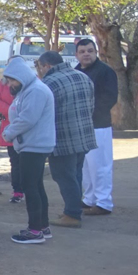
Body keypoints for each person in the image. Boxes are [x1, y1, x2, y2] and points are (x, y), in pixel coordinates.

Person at [35, 51, 96, 229]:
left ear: (47, 66)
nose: (40, 71)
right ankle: (73, 209)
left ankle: (72, 214)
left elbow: (44, 113)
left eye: (40, 67)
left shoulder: (49, 82)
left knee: (64, 176)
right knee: (76, 175)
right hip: (84, 136)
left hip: (62, 139)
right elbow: (92, 105)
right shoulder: (83, 76)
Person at [1, 57, 56, 244]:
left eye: (11, 80)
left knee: (30, 187)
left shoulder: (35, 91)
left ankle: (35, 231)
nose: (10, 84)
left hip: (34, 145)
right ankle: (42, 226)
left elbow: (27, 119)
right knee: (36, 186)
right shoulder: (28, 89)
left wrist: (9, 133)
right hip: (32, 144)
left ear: (21, 76)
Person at [75, 39, 118, 215]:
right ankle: (90, 198)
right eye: (82, 51)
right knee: (86, 166)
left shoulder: (105, 71)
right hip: (81, 127)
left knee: (100, 166)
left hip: (98, 125)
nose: (86, 54)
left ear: (96, 52)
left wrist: (87, 112)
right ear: (76, 55)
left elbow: (110, 98)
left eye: (90, 50)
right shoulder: (76, 72)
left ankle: (103, 203)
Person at [0, 78, 23, 204]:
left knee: (27, 162)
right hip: (9, 127)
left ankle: (30, 189)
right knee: (15, 162)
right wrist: (11, 110)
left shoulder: (31, 82)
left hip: (26, 127)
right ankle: (17, 191)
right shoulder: (4, 83)